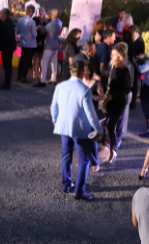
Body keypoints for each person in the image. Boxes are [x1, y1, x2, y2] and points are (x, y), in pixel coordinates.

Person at [51, 61, 104, 201]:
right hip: (80, 129)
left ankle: (66, 184)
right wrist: (98, 129)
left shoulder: (60, 86)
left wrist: (56, 122)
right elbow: (91, 114)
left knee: (66, 153)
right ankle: (79, 191)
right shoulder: (84, 90)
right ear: (82, 72)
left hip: (63, 126)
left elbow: (53, 108)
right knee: (84, 159)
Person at [102, 43, 133, 162]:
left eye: (114, 54)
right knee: (109, 125)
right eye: (112, 54)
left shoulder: (124, 70)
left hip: (117, 101)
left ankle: (112, 150)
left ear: (120, 56)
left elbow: (127, 88)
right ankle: (110, 147)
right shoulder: (113, 67)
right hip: (110, 101)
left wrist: (112, 94)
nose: (112, 56)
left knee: (112, 125)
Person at [36, 8, 62, 87]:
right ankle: (53, 79)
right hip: (56, 44)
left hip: (49, 45)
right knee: (54, 62)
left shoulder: (51, 24)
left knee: (44, 62)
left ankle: (43, 80)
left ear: (51, 14)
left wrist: (40, 27)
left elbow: (43, 32)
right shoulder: (60, 22)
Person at [15, 6, 38, 84]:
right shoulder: (32, 22)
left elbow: (17, 31)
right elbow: (34, 34)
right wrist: (37, 30)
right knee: (27, 61)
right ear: (31, 12)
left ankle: (19, 76)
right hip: (31, 44)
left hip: (23, 43)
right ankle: (23, 77)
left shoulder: (20, 20)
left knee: (22, 60)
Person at [126, 26, 145, 109]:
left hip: (136, 64)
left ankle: (132, 103)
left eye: (130, 32)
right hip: (133, 63)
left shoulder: (140, 41)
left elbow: (140, 54)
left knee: (134, 84)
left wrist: (135, 58)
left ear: (134, 32)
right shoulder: (134, 41)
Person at [0, 9, 17, 89]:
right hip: (9, 47)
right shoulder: (9, 23)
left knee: (7, 66)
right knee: (7, 65)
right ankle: (7, 82)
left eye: (1, 13)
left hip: (7, 48)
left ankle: (7, 83)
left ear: (4, 14)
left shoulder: (6, 24)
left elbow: (7, 37)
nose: (0, 15)